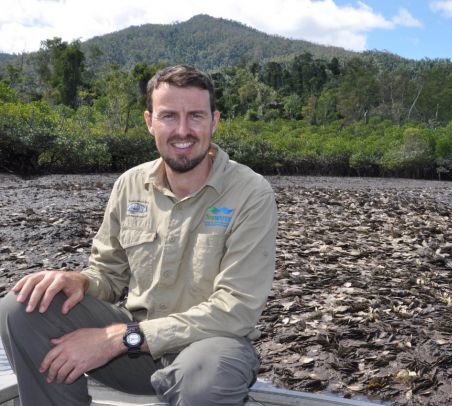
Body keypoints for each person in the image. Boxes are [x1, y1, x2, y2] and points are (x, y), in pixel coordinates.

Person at [0, 64, 277, 406]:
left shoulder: (251, 193)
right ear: (149, 122)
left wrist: (120, 338)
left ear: (214, 121)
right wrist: (80, 281)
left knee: (205, 378)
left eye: (195, 116)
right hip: (133, 360)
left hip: (212, 347)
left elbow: (237, 309)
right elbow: (108, 274)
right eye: (168, 116)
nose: (182, 130)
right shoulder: (130, 184)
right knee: (22, 306)